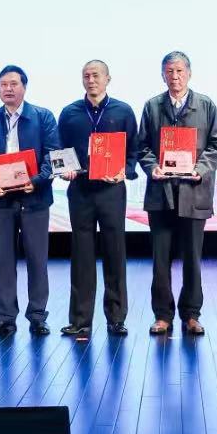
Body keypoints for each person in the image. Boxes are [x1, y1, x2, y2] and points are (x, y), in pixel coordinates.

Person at [138, 51, 217, 336]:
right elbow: (142, 146)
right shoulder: (152, 106)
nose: (174, 77)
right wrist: (152, 167)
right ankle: (162, 315)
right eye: (169, 71)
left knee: (192, 258)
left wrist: (200, 169)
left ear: (189, 73)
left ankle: (191, 315)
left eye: (179, 71)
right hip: (161, 194)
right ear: (163, 75)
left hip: (194, 192)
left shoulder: (206, 105)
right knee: (160, 259)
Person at [56, 60, 138, 337]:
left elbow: (133, 150)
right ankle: (80, 320)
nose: (91, 80)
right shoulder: (70, 113)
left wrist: (125, 171)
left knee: (115, 252)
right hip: (80, 190)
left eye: (96, 75)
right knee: (81, 255)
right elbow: (59, 149)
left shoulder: (123, 111)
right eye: (86, 76)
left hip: (111, 191)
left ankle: (116, 319)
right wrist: (64, 170)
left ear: (107, 79)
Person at [0, 65, 60, 336]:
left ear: (24, 87)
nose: (8, 89)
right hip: (3, 200)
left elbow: (52, 155)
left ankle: (37, 316)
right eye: (3, 84)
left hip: (34, 199)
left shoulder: (42, 116)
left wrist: (36, 181)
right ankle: (4, 318)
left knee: (37, 260)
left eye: (13, 84)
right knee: (3, 261)